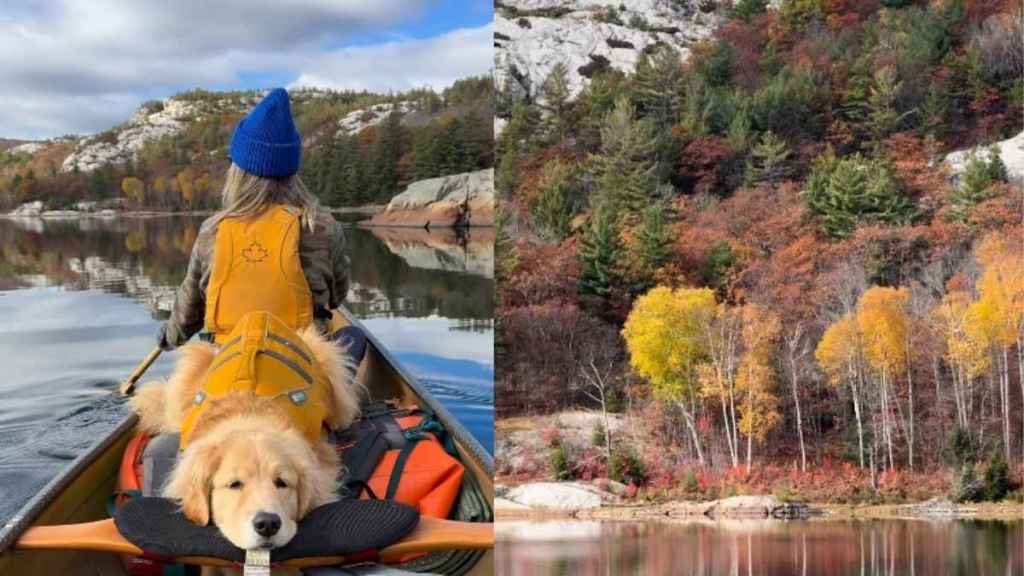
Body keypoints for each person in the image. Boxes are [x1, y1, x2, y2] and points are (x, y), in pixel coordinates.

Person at [158, 88, 363, 359]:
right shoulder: (322, 226)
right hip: (300, 361)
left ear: (238, 171)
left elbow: (187, 317)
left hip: (227, 359)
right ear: (291, 170)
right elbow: (336, 298)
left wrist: (167, 338)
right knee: (354, 337)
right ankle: (338, 396)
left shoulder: (212, 230)